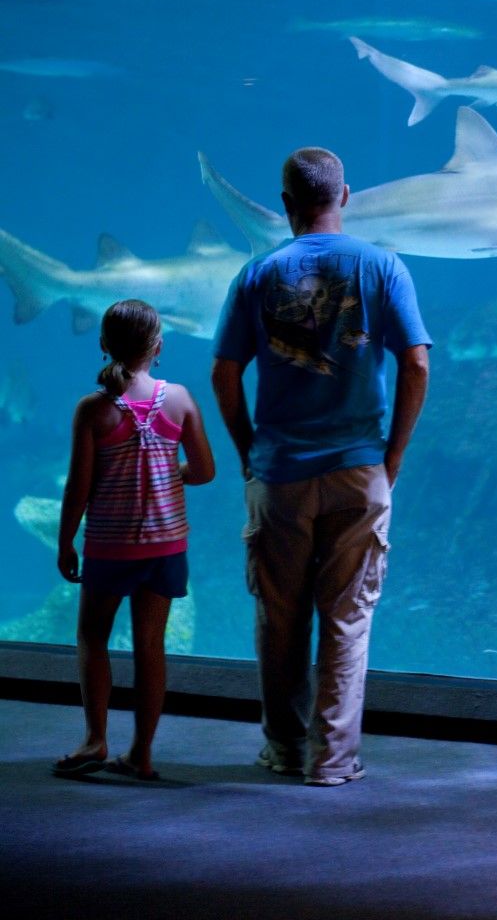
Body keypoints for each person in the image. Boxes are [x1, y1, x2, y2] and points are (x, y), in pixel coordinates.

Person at [211, 146, 430, 786]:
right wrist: (392, 457)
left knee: (279, 616)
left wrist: (251, 452)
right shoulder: (384, 266)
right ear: (346, 196)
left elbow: (224, 372)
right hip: (360, 469)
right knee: (347, 616)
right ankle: (331, 760)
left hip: (278, 474)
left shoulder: (256, 273)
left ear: (286, 204)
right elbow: (417, 363)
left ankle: (284, 749)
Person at [54, 299, 215, 780]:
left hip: (110, 546)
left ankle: (95, 739)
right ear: (159, 346)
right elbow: (205, 472)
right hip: (166, 550)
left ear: (103, 345)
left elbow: (78, 488)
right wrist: (170, 473)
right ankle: (141, 754)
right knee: (151, 646)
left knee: (92, 637)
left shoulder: (93, 410)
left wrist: (66, 543)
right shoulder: (181, 399)